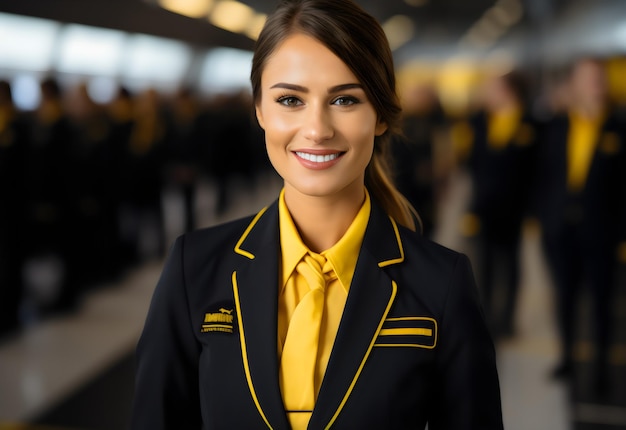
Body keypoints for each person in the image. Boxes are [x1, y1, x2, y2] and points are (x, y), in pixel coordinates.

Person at [131, 1, 503, 429]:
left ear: (380, 115)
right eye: (290, 99)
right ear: (259, 111)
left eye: (345, 99)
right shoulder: (193, 269)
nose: (317, 129)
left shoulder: (441, 284)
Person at [535, 57, 626, 390]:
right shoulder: (557, 125)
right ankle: (569, 359)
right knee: (566, 297)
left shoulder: (618, 127)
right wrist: (544, 219)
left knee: (603, 301)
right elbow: (543, 176)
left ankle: (601, 367)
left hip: (602, 231)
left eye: (598, 78)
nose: (594, 84)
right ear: (573, 84)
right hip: (561, 229)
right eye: (587, 79)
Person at [458, 70, 538, 338]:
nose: (489, 94)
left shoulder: (528, 123)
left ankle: (507, 319)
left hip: (515, 209)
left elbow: (534, 170)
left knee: (512, 264)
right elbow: (470, 161)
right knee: (485, 263)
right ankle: (488, 316)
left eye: (494, 89)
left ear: (508, 91)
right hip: (485, 206)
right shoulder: (480, 122)